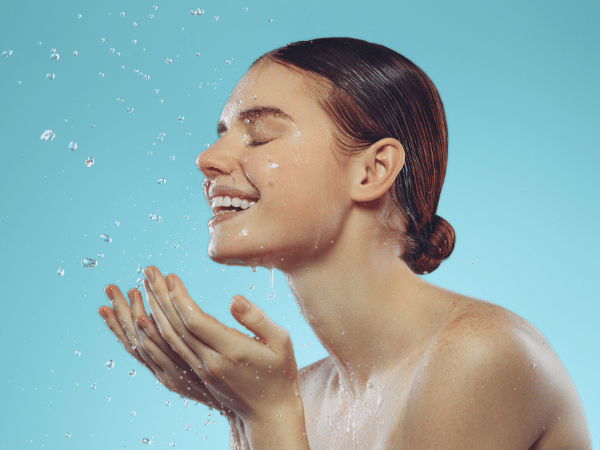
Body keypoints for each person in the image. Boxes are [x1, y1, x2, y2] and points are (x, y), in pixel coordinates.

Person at [97, 38, 591, 449]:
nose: (207, 158)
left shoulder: (478, 354)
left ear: (373, 170)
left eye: (261, 136)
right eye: (222, 134)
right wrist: (243, 415)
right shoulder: (301, 396)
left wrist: (268, 420)